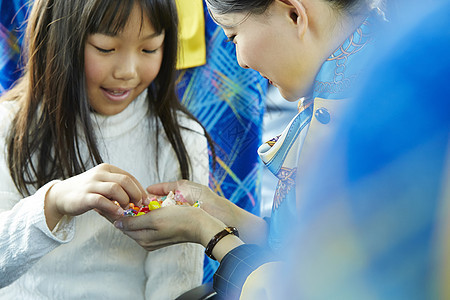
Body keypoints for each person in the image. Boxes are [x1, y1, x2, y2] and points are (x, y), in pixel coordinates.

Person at [114, 0, 385, 298]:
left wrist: (208, 232)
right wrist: (219, 211)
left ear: (294, 13)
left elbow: (297, 288)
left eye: (233, 36)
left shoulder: (359, 118)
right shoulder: (367, 75)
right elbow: (299, 244)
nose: (240, 61)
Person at [0, 0, 211, 299]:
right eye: (106, 48)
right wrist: (54, 203)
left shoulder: (180, 139)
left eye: (149, 49)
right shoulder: (10, 126)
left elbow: (175, 282)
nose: (127, 71)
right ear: (59, 37)